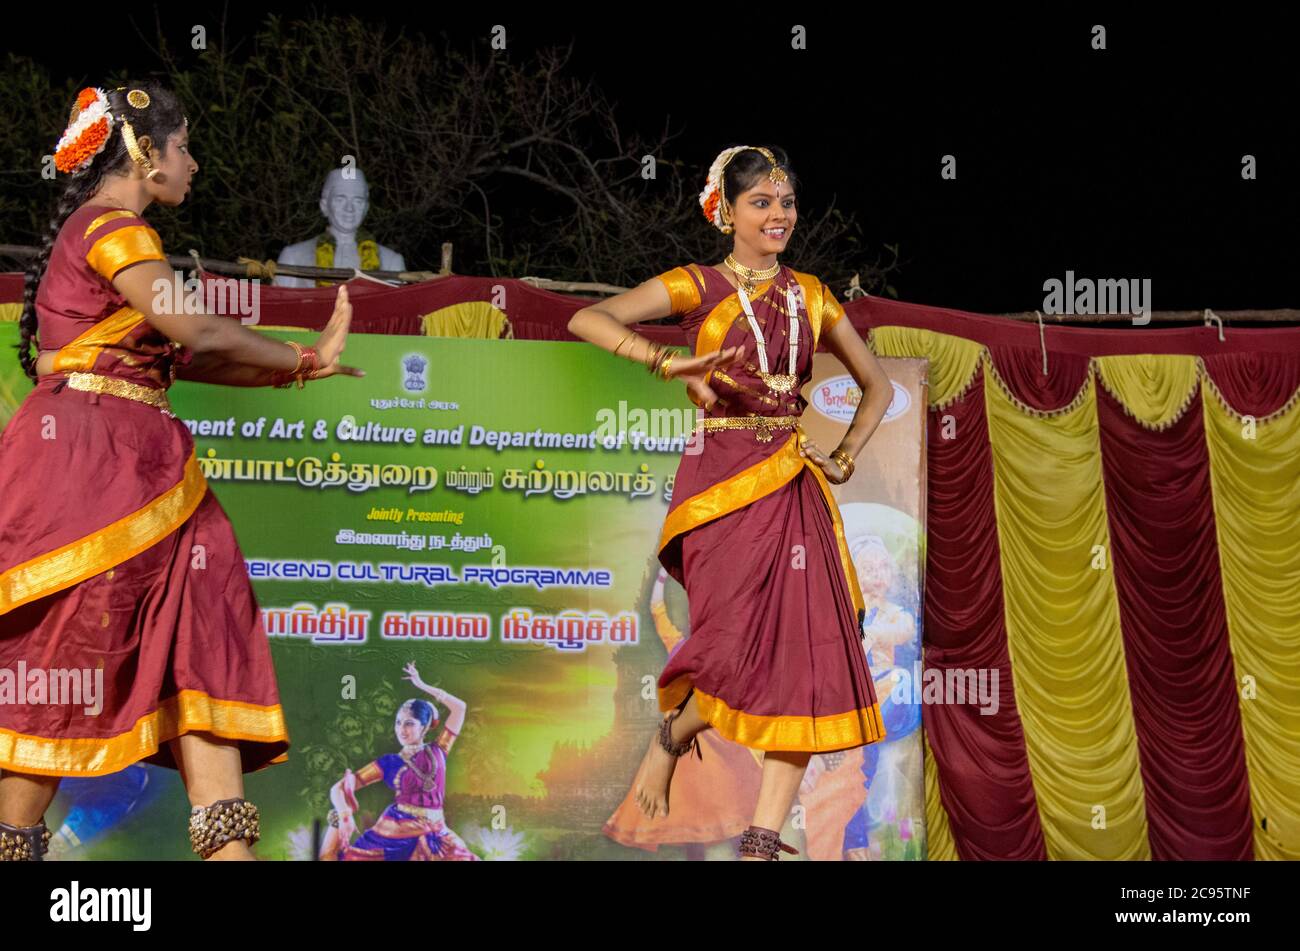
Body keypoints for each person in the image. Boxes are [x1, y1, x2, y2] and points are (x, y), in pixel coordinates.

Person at [0, 81, 362, 861]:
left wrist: (300, 366)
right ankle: (14, 843)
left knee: (204, 633)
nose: (192, 162)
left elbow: (187, 351)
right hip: (96, 475)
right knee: (69, 656)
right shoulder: (112, 228)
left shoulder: (116, 241)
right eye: (184, 145)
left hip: (151, 472)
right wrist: (306, 354)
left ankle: (227, 845)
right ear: (142, 151)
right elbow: (192, 325)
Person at [567, 145, 896, 860]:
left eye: (785, 203)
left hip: (792, 480)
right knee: (726, 645)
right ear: (728, 213)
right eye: (761, 203)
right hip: (719, 485)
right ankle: (671, 735)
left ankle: (761, 839)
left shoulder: (813, 293)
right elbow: (588, 319)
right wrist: (664, 359)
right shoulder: (699, 284)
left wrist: (842, 456)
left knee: (813, 661)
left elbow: (878, 387)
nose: (778, 215)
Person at [321, 663, 480, 861]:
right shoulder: (388, 763)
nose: (401, 730)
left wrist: (422, 685)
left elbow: (460, 708)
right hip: (395, 833)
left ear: (425, 727)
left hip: (437, 833)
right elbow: (338, 789)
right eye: (398, 723)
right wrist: (344, 816)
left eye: (409, 723)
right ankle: (334, 826)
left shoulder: (438, 750)